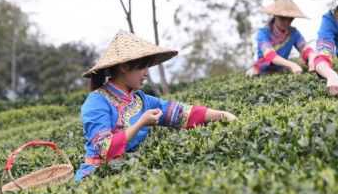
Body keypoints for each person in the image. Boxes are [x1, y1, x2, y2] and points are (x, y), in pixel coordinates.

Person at [75, 31, 237, 182]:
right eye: (142, 67)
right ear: (124, 67)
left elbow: (182, 114)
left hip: (129, 173)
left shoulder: (142, 100)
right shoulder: (96, 101)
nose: (146, 73)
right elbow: (104, 149)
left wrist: (222, 115)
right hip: (95, 178)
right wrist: (140, 123)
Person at [247, 0, 315, 76]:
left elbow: (305, 48)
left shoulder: (294, 33)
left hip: (281, 70)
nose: (286, 22)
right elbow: (269, 55)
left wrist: (311, 58)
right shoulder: (263, 33)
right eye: (282, 18)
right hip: (261, 71)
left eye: (290, 19)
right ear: (275, 16)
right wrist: (292, 65)